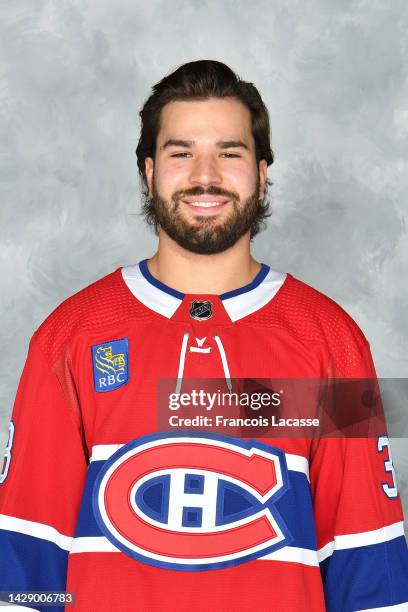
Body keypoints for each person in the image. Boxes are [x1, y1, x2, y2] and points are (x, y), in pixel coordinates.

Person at [0, 59, 407, 612]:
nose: (205, 174)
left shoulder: (333, 341)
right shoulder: (70, 337)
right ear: (149, 172)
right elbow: (26, 565)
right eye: (181, 152)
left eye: (230, 153)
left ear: (263, 174)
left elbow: (368, 569)